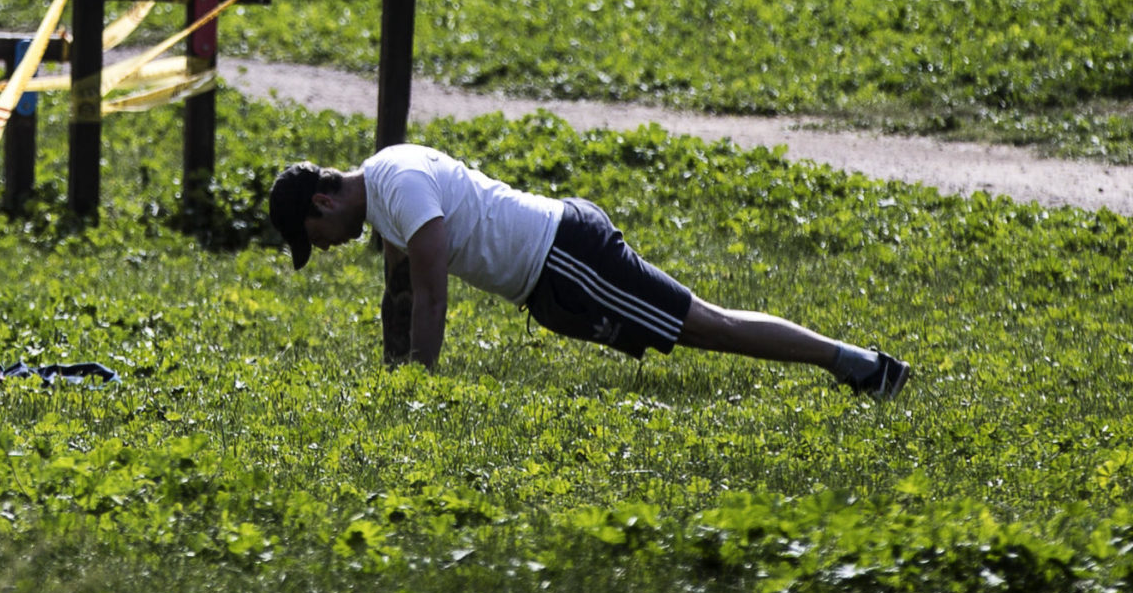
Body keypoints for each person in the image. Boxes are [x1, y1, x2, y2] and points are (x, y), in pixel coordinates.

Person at [267, 143, 911, 398]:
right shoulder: (385, 191)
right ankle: (854, 363)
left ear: (324, 202)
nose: (321, 248)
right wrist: (392, 370)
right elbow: (402, 295)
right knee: (693, 328)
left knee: (704, 325)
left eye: (313, 238)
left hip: (568, 257)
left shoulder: (398, 187)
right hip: (555, 276)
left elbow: (432, 298)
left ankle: (857, 364)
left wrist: (418, 389)